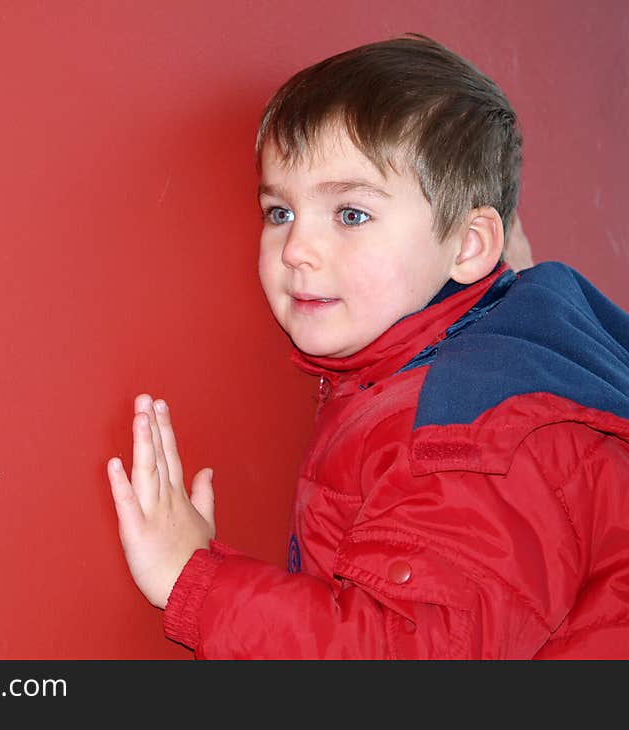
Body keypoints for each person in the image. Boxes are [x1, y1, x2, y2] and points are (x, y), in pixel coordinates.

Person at [106, 34, 629, 659]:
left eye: (350, 214)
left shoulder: (476, 441)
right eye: (279, 212)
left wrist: (191, 579)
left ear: (467, 247)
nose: (297, 249)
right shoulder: (496, 347)